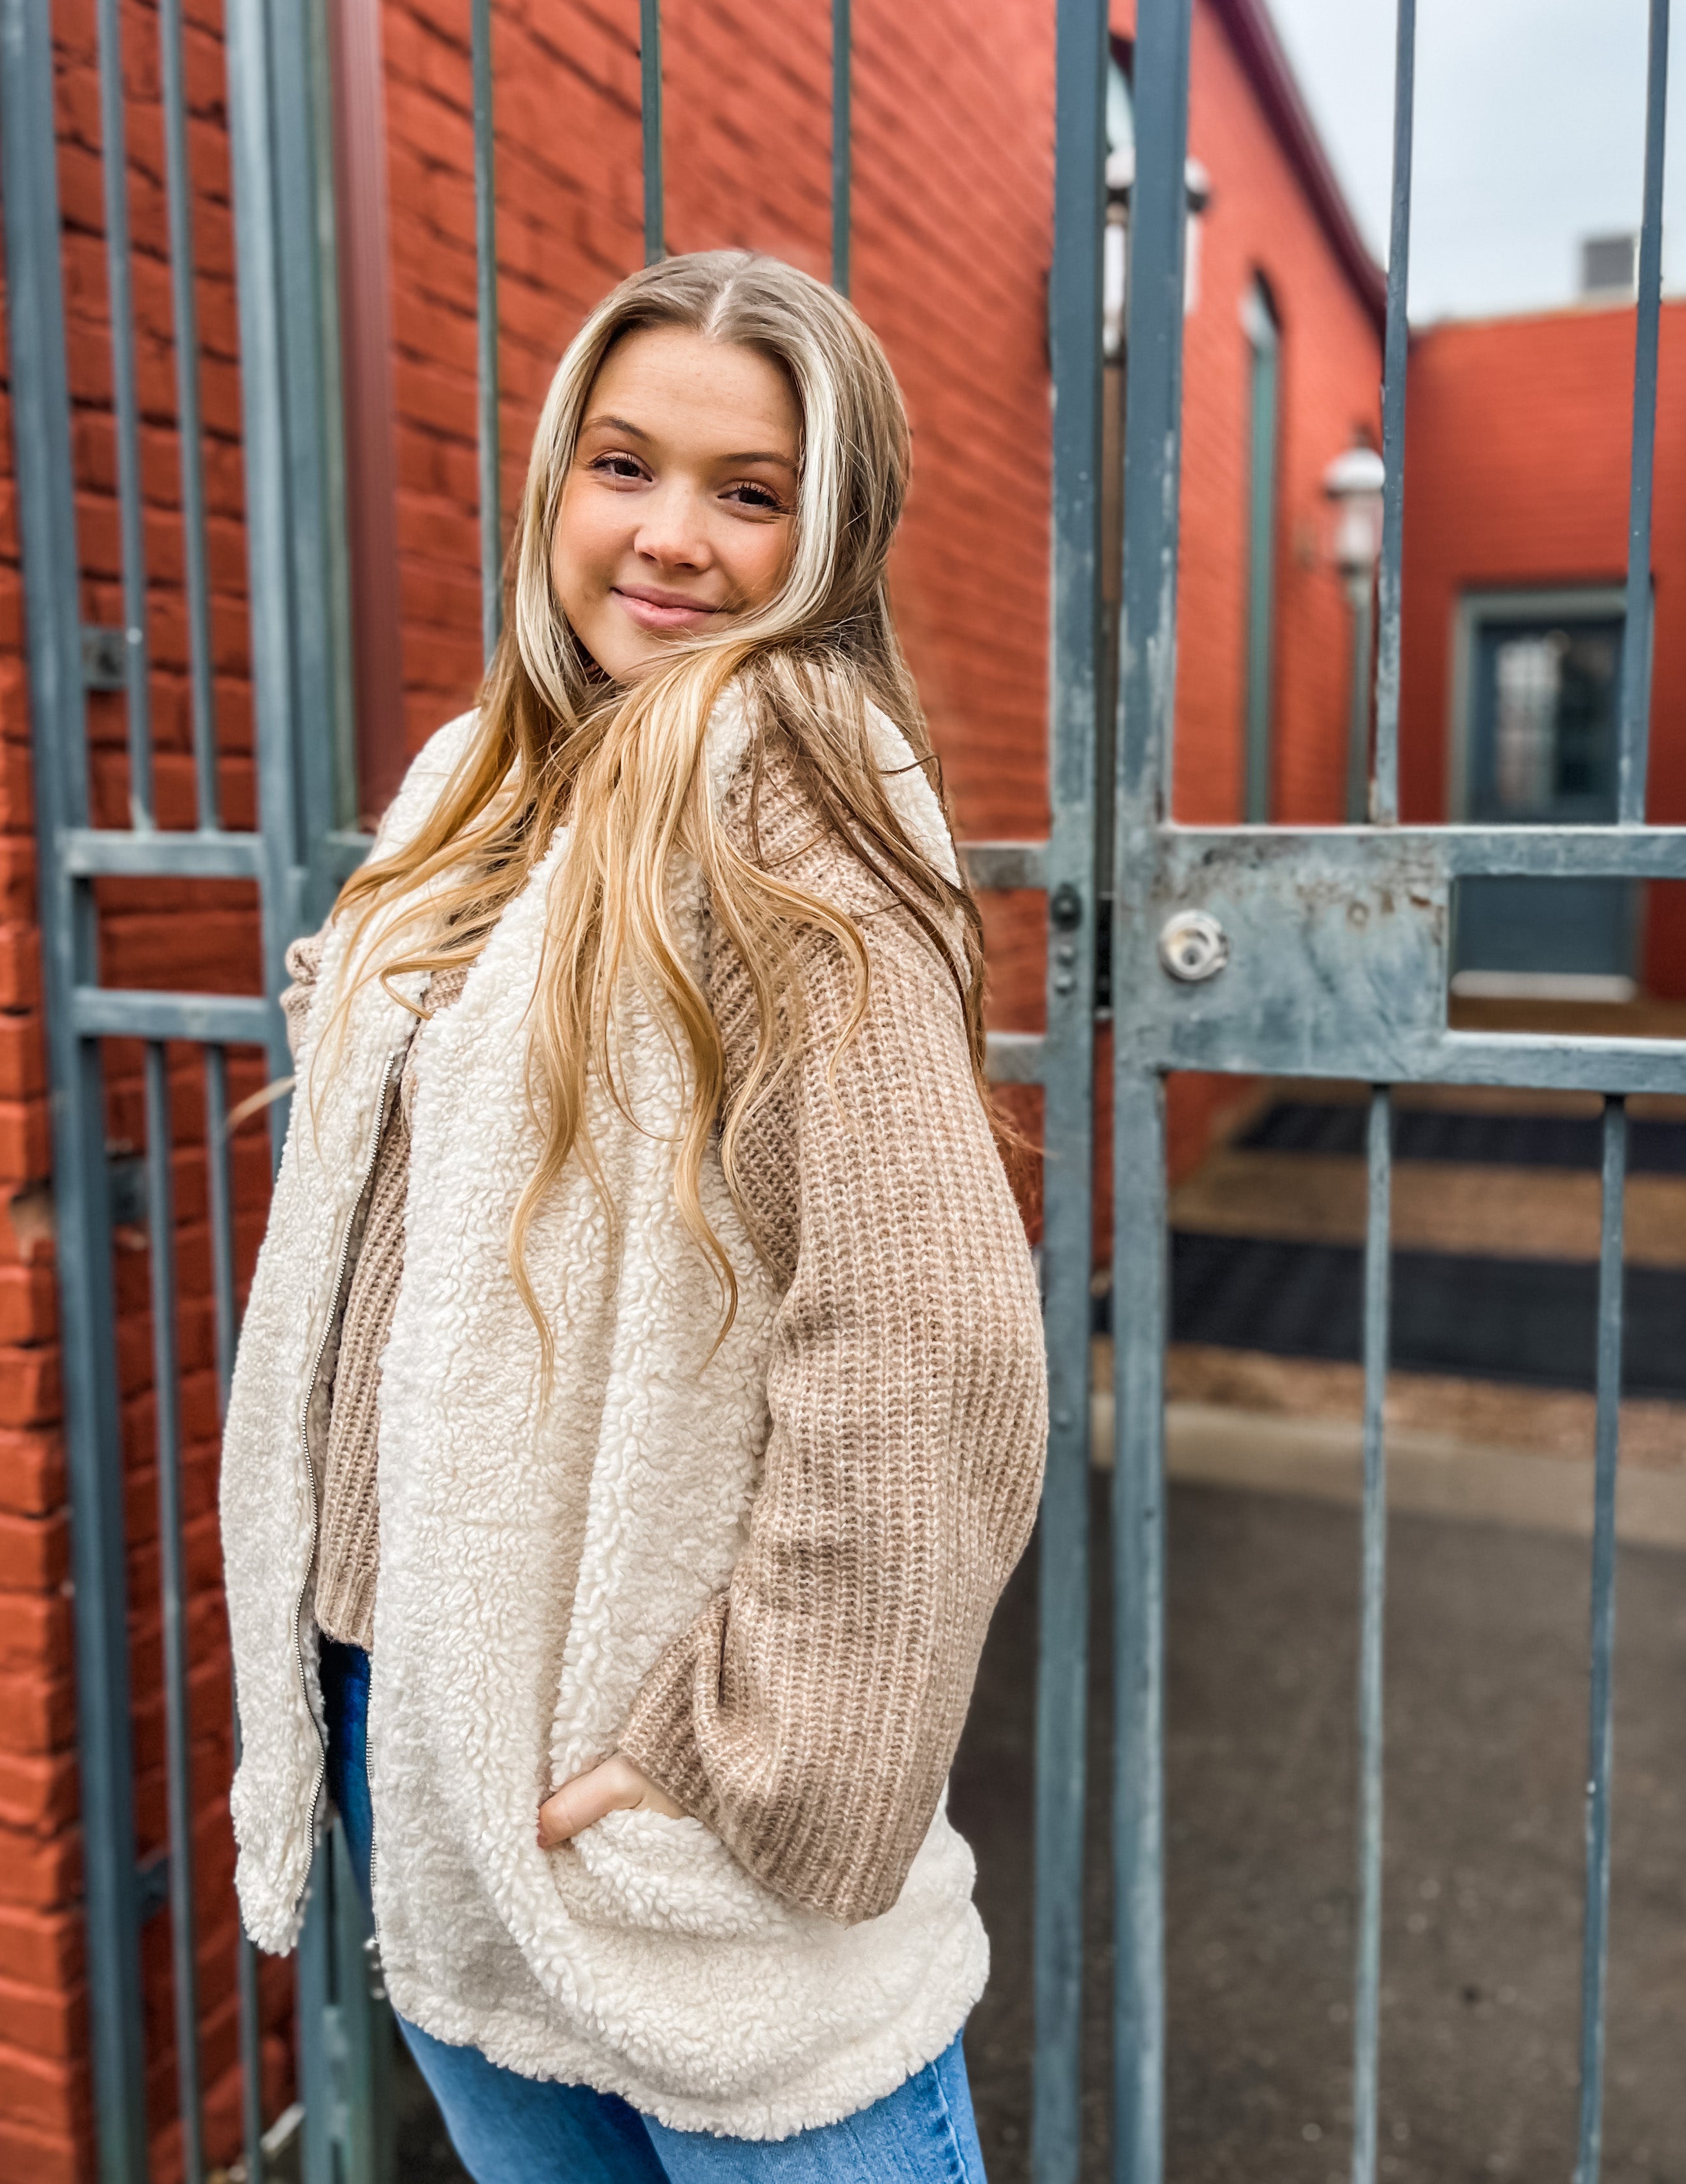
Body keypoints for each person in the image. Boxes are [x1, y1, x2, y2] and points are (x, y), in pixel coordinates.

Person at [220, 249, 1048, 2183]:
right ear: (554, 485)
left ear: (827, 525)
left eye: (747, 490)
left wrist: (746, 1753)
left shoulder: (787, 785)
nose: (671, 537)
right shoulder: (484, 781)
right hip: (420, 1716)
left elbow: (932, 1341)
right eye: (624, 464)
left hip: (648, 1774)